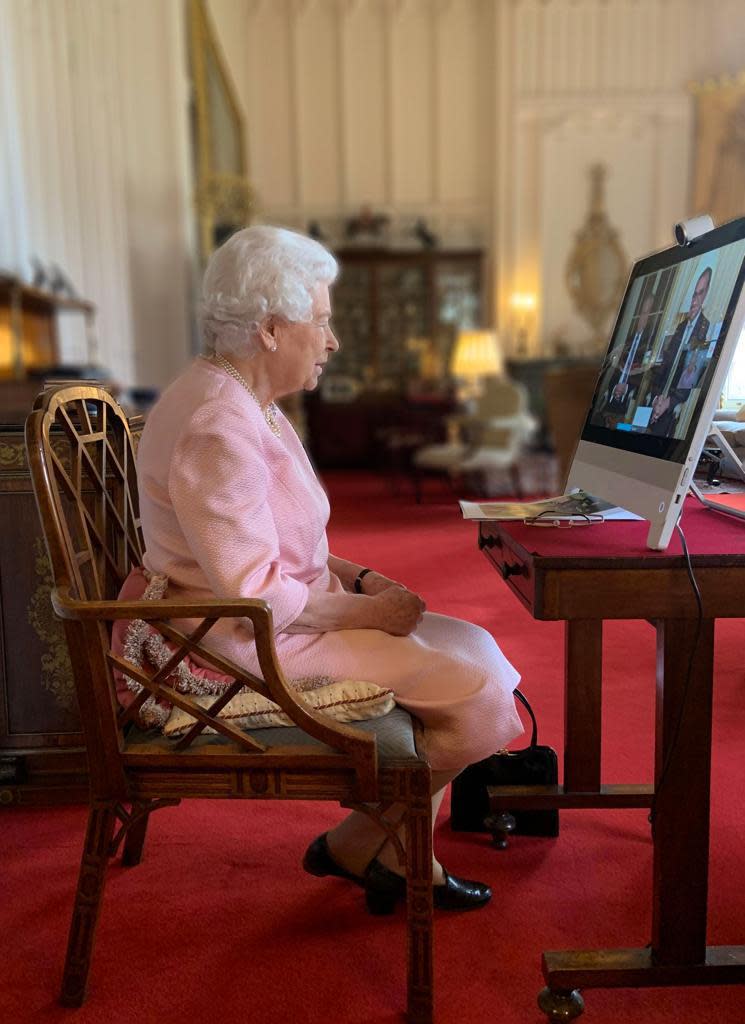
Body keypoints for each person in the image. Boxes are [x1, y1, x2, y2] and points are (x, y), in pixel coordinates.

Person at [134, 225, 524, 913]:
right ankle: (363, 842)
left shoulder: (246, 401)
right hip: (236, 641)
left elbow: (280, 545)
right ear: (269, 330)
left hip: (279, 614)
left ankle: (385, 853)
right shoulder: (217, 426)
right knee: (483, 699)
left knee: (482, 649)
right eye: (319, 321)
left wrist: (364, 578)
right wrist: (372, 613)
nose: (331, 339)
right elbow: (253, 593)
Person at [647, 267, 712, 434]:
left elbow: (691, 376)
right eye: (693, 294)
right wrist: (656, 397)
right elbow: (666, 363)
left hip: (673, 403)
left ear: (706, 294)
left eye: (700, 293)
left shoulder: (705, 328)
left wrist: (669, 402)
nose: (694, 300)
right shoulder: (681, 326)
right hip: (659, 396)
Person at [601, 292, 657, 421]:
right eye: (642, 312)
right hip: (607, 402)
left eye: (648, 313)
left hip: (627, 410)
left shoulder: (650, 343)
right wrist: (615, 386)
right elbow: (610, 368)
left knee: (622, 427)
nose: (644, 317)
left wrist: (625, 387)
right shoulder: (626, 339)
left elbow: (647, 378)